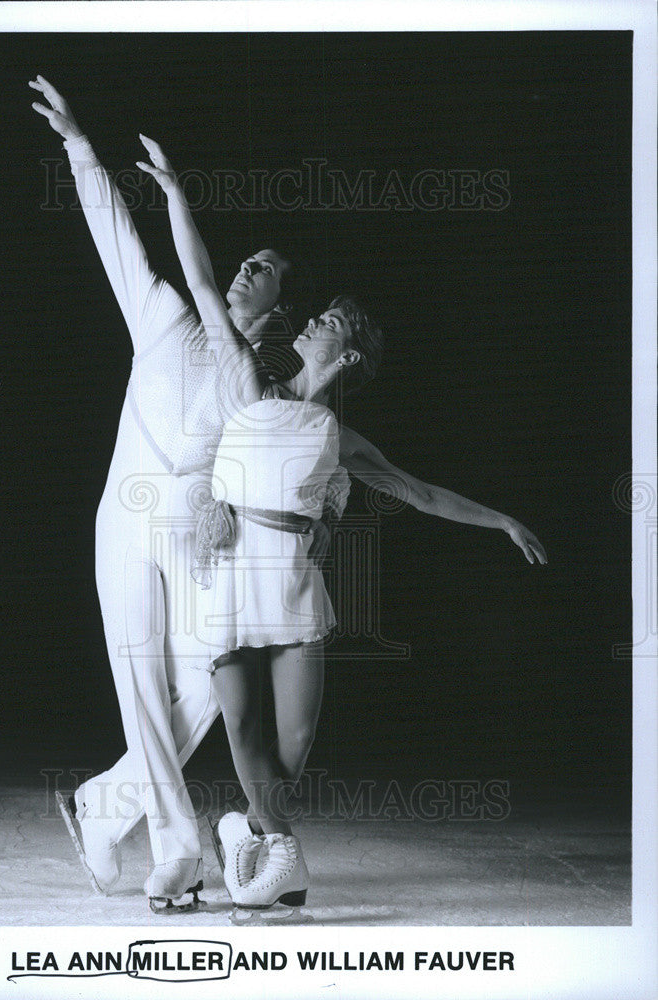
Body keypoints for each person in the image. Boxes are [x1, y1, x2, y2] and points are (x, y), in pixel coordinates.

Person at [30, 77, 547, 912]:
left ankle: (104, 805)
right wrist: (79, 147)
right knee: (140, 679)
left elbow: (365, 476)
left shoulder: (266, 390)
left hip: (208, 543)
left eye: (263, 269)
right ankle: (174, 852)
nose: (244, 268)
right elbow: (118, 238)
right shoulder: (167, 317)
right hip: (129, 517)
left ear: (283, 306)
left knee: (202, 687)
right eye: (246, 259)